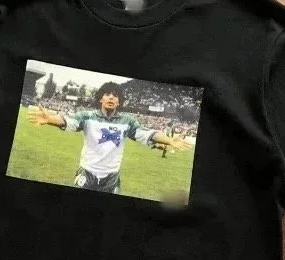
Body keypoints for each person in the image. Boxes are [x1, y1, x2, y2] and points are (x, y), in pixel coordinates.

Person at [28, 82, 191, 194]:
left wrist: (169, 140)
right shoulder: (87, 117)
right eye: (107, 94)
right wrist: (51, 119)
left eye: (115, 95)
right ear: (101, 98)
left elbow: (148, 133)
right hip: (87, 172)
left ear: (119, 102)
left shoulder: (127, 122)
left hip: (111, 178)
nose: (111, 97)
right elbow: (68, 121)